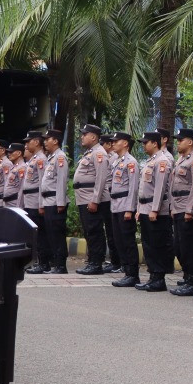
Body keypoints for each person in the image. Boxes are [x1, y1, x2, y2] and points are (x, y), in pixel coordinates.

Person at [168, 128, 193, 296]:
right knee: (180, 246)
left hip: (186, 209)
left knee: (190, 247)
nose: (177, 143)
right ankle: (188, 276)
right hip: (178, 207)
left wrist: (190, 210)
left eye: (180, 140)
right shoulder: (181, 160)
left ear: (190, 142)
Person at [135, 131, 173, 291]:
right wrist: (139, 209)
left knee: (157, 244)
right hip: (145, 207)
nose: (144, 145)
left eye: (146, 142)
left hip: (155, 210)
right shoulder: (150, 161)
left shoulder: (162, 161)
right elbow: (143, 187)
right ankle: (152, 276)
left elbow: (160, 188)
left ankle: (159, 278)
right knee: (148, 244)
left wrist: (155, 209)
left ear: (155, 143)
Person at [72, 124, 109, 274]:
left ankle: (96, 264)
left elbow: (101, 179)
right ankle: (92, 261)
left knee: (94, 231)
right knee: (89, 231)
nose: (82, 136)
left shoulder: (99, 153)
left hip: (91, 199)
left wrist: (95, 200)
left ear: (93, 137)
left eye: (84, 134)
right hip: (84, 197)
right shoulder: (90, 152)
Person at [107, 132, 141, 287]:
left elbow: (133, 188)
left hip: (125, 205)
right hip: (115, 205)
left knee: (127, 241)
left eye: (116, 141)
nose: (113, 143)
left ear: (126, 143)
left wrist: (129, 209)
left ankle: (133, 274)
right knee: (119, 240)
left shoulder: (131, 162)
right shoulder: (117, 161)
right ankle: (126, 271)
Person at [37, 130, 69, 272]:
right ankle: (56, 263)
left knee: (57, 235)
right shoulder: (51, 158)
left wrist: (61, 202)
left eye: (47, 139)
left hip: (56, 201)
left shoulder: (60, 157)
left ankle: (61, 265)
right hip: (48, 201)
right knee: (51, 234)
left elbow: (62, 181)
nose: (44, 142)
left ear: (55, 141)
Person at [19, 134, 45, 271]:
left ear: (36, 142)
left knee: (38, 234)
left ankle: (41, 262)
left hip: (35, 201)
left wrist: (41, 203)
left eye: (28, 142)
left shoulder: (41, 159)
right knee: (32, 233)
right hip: (29, 200)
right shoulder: (33, 159)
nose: (26, 145)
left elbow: (42, 183)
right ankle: (36, 262)